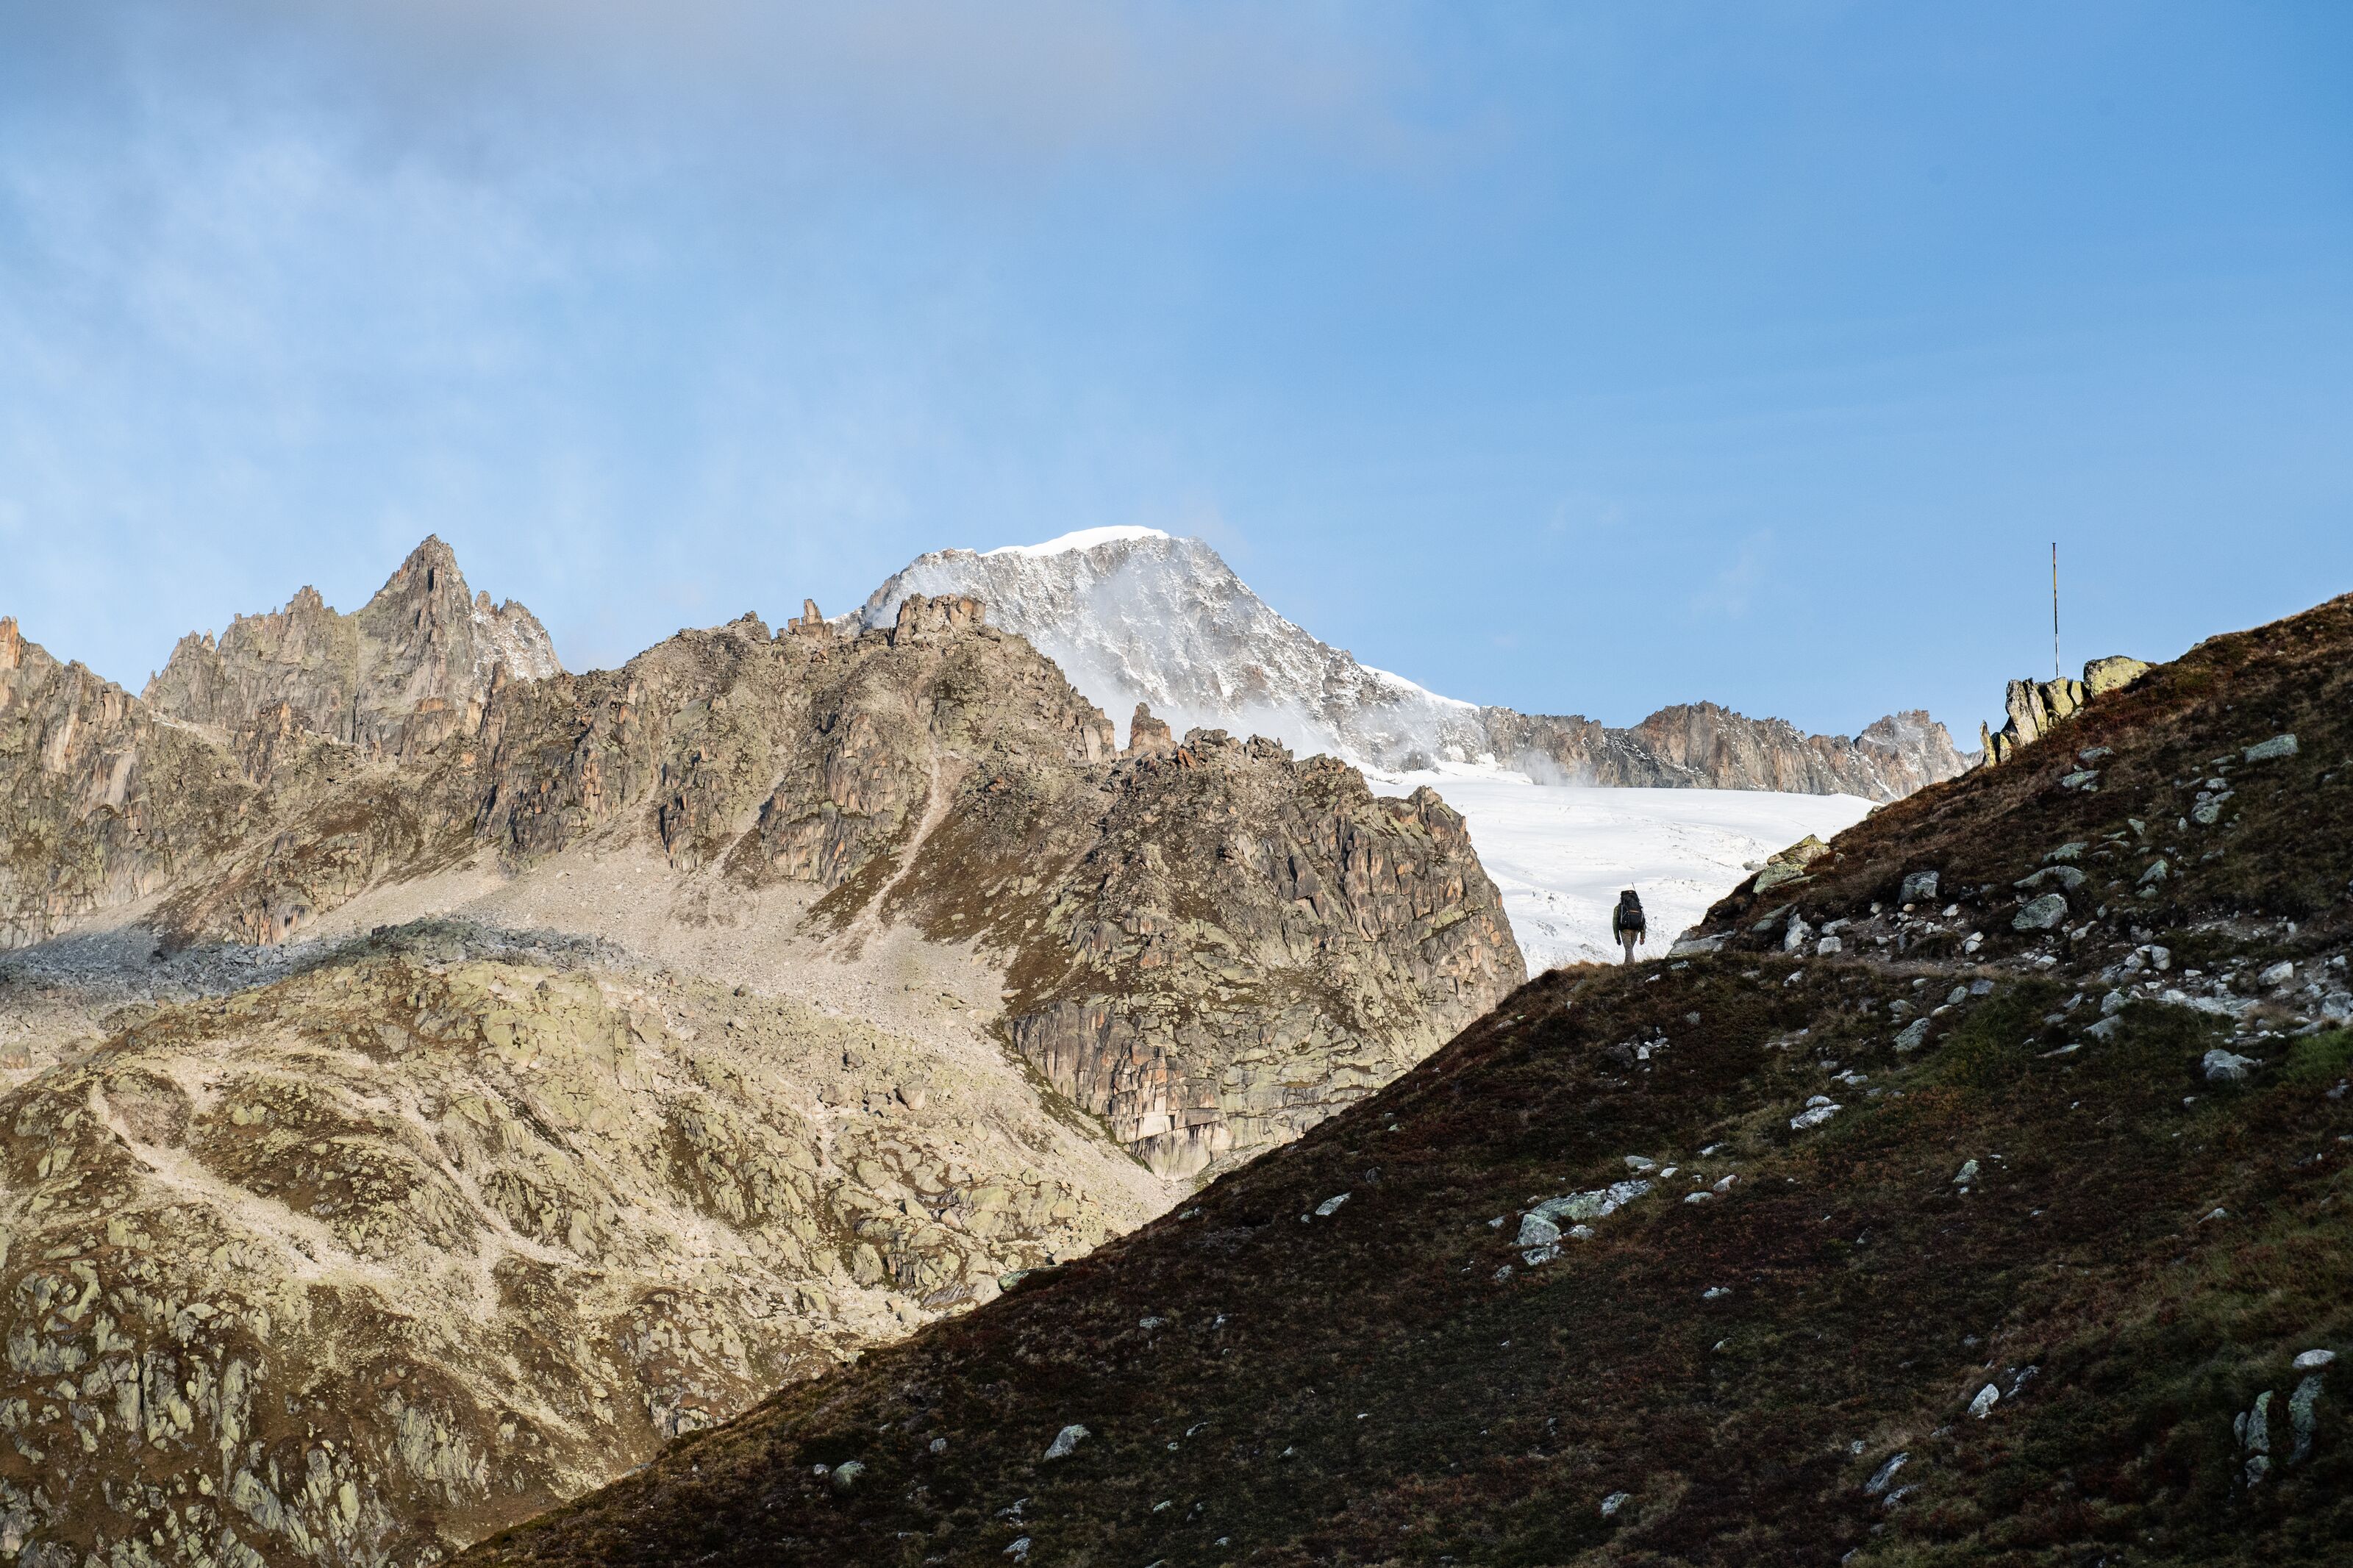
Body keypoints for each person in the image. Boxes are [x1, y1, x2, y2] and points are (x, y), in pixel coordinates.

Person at [1611, 888, 1646, 964]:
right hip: (1636, 930)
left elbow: (1615, 923)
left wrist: (1617, 937)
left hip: (1625, 930)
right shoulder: (1638, 907)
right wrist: (1642, 937)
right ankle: (1627, 966)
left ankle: (1631, 966)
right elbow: (1643, 922)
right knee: (1629, 949)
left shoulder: (1619, 908)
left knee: (1628, 949)